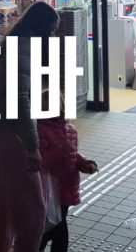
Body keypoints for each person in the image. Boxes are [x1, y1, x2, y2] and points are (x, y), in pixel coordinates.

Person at [0, 1, 60, 252]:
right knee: (32, 213)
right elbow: (20, 100)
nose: (53, 36)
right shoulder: (24, 50)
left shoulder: (12, 44)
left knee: (3, 208)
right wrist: (32, 146)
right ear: (41, 28)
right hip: (12, 136)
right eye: (51, 30)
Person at [38, 90, 98, 252]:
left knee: (53, 227)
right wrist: (62, 148)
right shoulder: (39, 130)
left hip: (66, 187)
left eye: (54, 98)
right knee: (55, 229)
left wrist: (84, 164)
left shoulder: (70, 129)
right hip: (50, 189)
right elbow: (43, 161)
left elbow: (73, 154)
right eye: (45, 98)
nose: (49, 102)